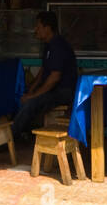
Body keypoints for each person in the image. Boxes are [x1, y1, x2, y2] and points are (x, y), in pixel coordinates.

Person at [12, 10, 77, 143]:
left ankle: (11, 138)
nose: (36, 30)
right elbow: (44, 70)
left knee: (31, 102)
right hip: (52, 89)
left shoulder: (58, 46)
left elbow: (54, 78)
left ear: (47, 28)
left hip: (63, 92)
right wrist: (32, 88)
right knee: (20, 95)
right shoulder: (48, 45)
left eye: (38, 26)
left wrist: (33, 96)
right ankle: (24, 131)